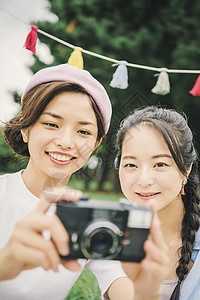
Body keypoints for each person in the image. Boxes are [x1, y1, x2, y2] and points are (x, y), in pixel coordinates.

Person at [0, 64, 168, 300]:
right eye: (51, 124)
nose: (67, 142)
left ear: (96, 144)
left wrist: (147, 291)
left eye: (83, 132)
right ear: (26, 128)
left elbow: (125, 290)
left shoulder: (91, 220)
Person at [115, 106, 200, 300]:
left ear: (186, 170)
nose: (144, 180)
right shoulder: (108, 239)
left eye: (160, 164)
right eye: (131, 165)